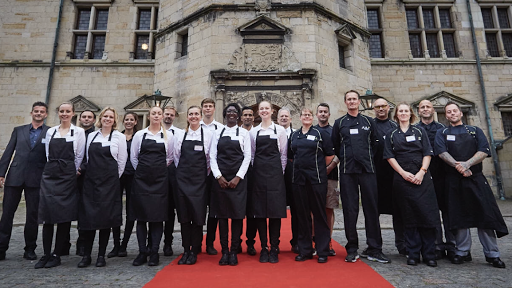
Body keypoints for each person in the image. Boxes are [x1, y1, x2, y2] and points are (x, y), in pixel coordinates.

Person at [435, 102, 508, 268]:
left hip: (475, 179)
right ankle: (462, 252)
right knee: (459, 217)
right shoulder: (442, 132)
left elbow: (484, 150)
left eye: (455, 111)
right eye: (448, 112)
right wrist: (459, 167)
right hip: (454, 181)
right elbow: (441, 152)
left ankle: (492, 254)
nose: (452, 113)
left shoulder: (475, 131)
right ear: (446, 116)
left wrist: (467, 164)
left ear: (461, 113)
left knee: (485, 217)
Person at [331, 90, 389, 264]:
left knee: (371, 209)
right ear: (345, 102)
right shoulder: (339, 123)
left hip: (367, 170)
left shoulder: (369, 122)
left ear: (359, 102)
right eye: (348, 99)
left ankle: (375, 248)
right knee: (350, 210)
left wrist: (367, 158)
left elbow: (376, 144)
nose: (352, 102)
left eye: (354, 99)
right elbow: (335, 145)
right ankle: (352, 248)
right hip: (348, 171)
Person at [383, 103, 440, 267]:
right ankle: (413, 253)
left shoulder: (420, 131)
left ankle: (429, 254)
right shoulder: (391, 134)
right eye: (400, 111)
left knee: (426, 216)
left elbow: (427, 153)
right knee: (409, 217)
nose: (403, 113)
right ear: (396, 115)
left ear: (411, 114)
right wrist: (402, 173)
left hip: (422, 179)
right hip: (402, 179)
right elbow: (389, 156)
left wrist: (422, 172)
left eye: (405, 111)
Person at [35, 102, 86, 269]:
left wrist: (71, 171)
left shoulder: (78, 132)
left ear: (73, 113)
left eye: (68, 111)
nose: (64, 114)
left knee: (63, 215)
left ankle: (57, 253)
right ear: (58, 113)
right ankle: (46, 253)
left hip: (67, 176)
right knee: (47, 216)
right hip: (51, 175)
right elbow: (49, 153)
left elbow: (79, 155)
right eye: (62, 111)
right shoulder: (51, 131)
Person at [78, 107, 127, 268]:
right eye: (105, 116)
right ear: (101, 118)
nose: (107, 119)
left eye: (111, 117)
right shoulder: (91, 136)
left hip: (109, 185)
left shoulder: (119, 137)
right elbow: (86, 157)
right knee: (89, 220)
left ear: (114, 120)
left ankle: (101, 255)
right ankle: (86, 255)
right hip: (91, 183)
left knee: (106, 220)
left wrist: (111, 179)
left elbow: (122, 162)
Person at [0, 102, 49, 261]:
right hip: (15, 176)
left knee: (32, 215)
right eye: (36, 111)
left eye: (42, 111)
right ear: (31, 113)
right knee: (7, 214)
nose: (39, 113)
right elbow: (8, 152)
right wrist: (1, 173)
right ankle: (1, 248)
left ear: (46, 115)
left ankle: (30, 248)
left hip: (37, 178)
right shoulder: (19, 130)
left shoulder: (50, 132)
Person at [288, 107, 334, 264]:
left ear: (313, 117)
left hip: (316, 181)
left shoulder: (320, 134)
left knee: (319, 215)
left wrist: (320, 171)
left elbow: (330, 156)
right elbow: (291, 156)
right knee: (302, 216)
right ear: (299, 118)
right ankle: (305, 250)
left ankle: (322, 250)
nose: (306, 117)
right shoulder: (294, 135)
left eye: (309, 115)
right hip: (299, 180)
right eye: (304, 115)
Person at [130, 106, 174, 267]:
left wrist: (157, 171)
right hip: (142, 181)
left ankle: (154, 252)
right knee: (141, 218)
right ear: (149, 116)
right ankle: (142, 252)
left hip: (160, 181)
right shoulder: (140, 135)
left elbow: (170, 158)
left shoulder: (168, 136)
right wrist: (144, 172)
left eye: (159, 113)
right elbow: (134, 157)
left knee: (157, 218)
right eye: (153, 113)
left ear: (162, 116)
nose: (156, 116)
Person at [210, 103, 251, 266]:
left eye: (235, 111)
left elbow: (247, 157)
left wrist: (238, 177)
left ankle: (234, 251)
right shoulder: (217, 132)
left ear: (239, 115)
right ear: (225, 114)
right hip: (220, 180)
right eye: (229, 111)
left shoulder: (243, 133)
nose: (232, 114)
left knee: (236, 216)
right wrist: (218, 176)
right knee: (222, 217)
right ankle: (224, 251)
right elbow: (212, 156)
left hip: (238, 180)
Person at [364, 98, 404, 258]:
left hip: (394, 175)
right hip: (374, 176)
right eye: (377, 107)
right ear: (373, 109)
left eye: (383, 106)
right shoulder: (369, 126)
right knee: (373, 212)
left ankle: (403, 244)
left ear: (388, 108)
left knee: (399, 210)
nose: (381, 109)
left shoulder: (396, 127)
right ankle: (373, 245)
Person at [249, 100, 287, 264]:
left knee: (274, 213)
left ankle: (275, 248)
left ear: (272, 111)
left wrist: (279, 173)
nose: (264, 111)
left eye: (267, 108)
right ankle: (264, 247)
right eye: (261, 109)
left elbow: (283, 155)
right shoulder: (253, 132)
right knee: (260, 213)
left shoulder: (280, 130)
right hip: (258, 176)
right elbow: (251, 155)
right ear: (259, 112)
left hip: (275, 177)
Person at [415, 99, 454, 260]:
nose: (425, 109)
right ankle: (436, 245)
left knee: (448, 211)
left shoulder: (443, 129)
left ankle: (452, 245)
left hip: (443, 175)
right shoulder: (415, 130)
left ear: (433, 110)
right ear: (418, 111)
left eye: (428, 107)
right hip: (424, 176)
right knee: (431, 212)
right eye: (422, 107)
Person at [174, 106, 213, 265]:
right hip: (182, 181)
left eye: (196, 114)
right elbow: (175, 157)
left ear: (201, 115)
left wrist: (201, 177)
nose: (194, 116)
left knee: (197, 217)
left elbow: (210, 159)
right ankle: (186, 250)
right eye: (191, 114)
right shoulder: (180, 135)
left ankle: (195, 249)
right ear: (187, 117)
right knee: (184, 217)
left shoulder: (208, 135)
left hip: (199, 183)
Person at [108, 112, 138, 258]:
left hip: (133, 176)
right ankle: (116, 244)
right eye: (126, 119)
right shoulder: (117, 137)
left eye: (131, 120)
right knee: (115, 209)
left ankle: (124, 244)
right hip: (117, 177)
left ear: (136, 122)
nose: (129, 122)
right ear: (123, 121)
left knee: (131, 210)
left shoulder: (138, 137)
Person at [314, 103, 340, 257]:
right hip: (313, 178)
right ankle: (315, 240)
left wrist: (329, 167)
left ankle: (328, 240)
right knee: (314, 210)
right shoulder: (312, 130)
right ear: (316, 114)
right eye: (320, 112)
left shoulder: (333, 132)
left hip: (331, 176)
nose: (323, 114)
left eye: (325, 112)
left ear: (329, 115)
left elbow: (339, 152)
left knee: (328, 209)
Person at [200, 98, 224, 255]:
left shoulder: (220, 128)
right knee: (199, 208)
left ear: (214, 109)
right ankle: (196, 242)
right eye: (205, 106)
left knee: (214, 211)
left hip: (214, 174)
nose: (208, 109)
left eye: (210, 106)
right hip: (198, 174)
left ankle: (210, 243)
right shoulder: (193, 127)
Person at [73, 110, 97, 256]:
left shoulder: (95, 135)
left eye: (89, 117)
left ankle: (83, 243)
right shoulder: (74, 133)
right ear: (79, 118)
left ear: (94, 120)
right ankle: (63, 243)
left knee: (85, 212)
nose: (86, 119)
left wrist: (82, 168)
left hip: (87, 177)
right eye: (84, 117)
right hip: (70, 176)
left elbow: (94, 156)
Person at [162, 106, 183, 257]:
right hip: (158, 175)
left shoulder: (180, 133)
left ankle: (178, 243)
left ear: (174, 117)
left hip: (175, 175)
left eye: (171, 114)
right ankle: (160, 242)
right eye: (166, 114)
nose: (168, 116)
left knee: (177, 210)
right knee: (163, 210)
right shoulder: (153, 133)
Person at [277, 108, 299, 254]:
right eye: (281, 116)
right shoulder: (273, 132)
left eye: (286, 116)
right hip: (277, 176)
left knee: (296, 210)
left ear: (291, 119)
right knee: (277, 210)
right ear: (277, 119)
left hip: (293, 176)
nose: (284, 118)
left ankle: (296, 241)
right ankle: (275, 242)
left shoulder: (297, 134)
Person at [240, 106, 258, 256]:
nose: (247, 117)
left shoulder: (257, 132)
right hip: (237, 176)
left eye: (250, 115)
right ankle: (236, 242)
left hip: (253, 175)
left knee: (252, 212)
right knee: (238, 210)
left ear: (253, 117)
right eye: (245, 115)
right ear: (241, 117)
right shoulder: (235, 132)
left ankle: (250, 242)